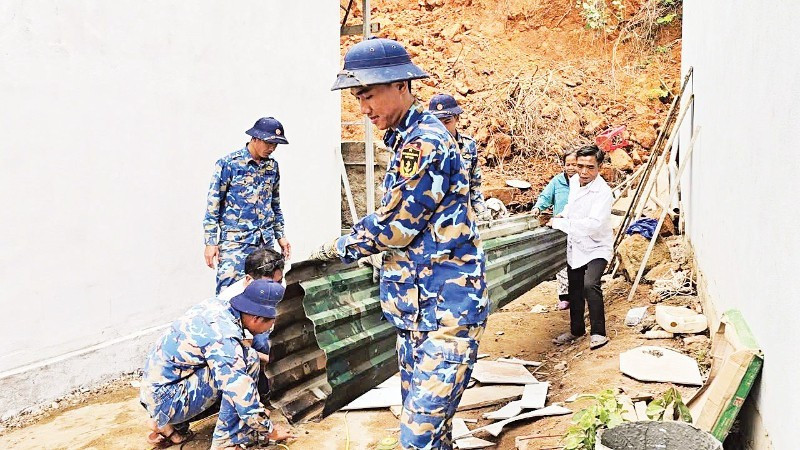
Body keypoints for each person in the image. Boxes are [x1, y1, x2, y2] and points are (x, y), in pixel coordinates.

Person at [310, 37, 487, 450]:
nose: (363, 109)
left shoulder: (424, 142)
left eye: (368, 96)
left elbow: (395, 228)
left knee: (416, 440)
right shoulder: (406, 139)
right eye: (357, 98)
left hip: (447, 315)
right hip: (418, 315)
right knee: (432, 435)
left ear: (401, 86)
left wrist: (341, 246)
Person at [139, 279, 293, 449]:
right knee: (247, 362)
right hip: (167, 400)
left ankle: (170, 427)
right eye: (272, 322)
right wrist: (269, 430)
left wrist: (269, 359)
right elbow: (239, 390)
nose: (271, 328)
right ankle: (228, 443)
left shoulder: (219, 307)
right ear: (257, 318)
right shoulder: (224, 337)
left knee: (240, 359)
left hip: (157, 391)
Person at [203, 117, 292, 295]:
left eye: (276, 144)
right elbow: (213, 204)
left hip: (264, 243)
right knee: (229, 294)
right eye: (269, 143)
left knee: (263, 293)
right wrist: (210, 242)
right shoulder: (229, 164)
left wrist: (280, 235)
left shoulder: (272, 167)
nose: (272, 148)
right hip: (236, 243)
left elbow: (274, 203)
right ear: (255, 138)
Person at [549, 145, 613, 350]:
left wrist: (559, 224)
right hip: (576, 244)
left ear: (600, 167)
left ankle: (598, 333)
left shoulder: (603, 192)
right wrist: (563, 215)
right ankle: (576, 330)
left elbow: (593, 224)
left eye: (590, 167)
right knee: (574, 287)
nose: (584, 172)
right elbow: (572, 206)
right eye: (580, 166)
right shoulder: (575, 181)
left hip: (597, 245)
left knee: (589, 284)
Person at [428, 93, 491, 221]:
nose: (443, 128)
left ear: (456, 118)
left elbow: (474, 186)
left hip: (461, 219)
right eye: (437, 123)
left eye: (447, 122)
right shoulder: (426, 147)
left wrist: (482, 212)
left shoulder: (469, 146)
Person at [533, 149, 578, 310]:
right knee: (562, 263)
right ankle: (564, 297)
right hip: (560, 227)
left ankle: (579, 294)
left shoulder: (583, 182)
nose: (571, 168)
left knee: (578, 262)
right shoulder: (558, 181)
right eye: (568, 164)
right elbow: (546, 197)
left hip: (578, 227)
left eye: (574, 164)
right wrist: (538, 207)